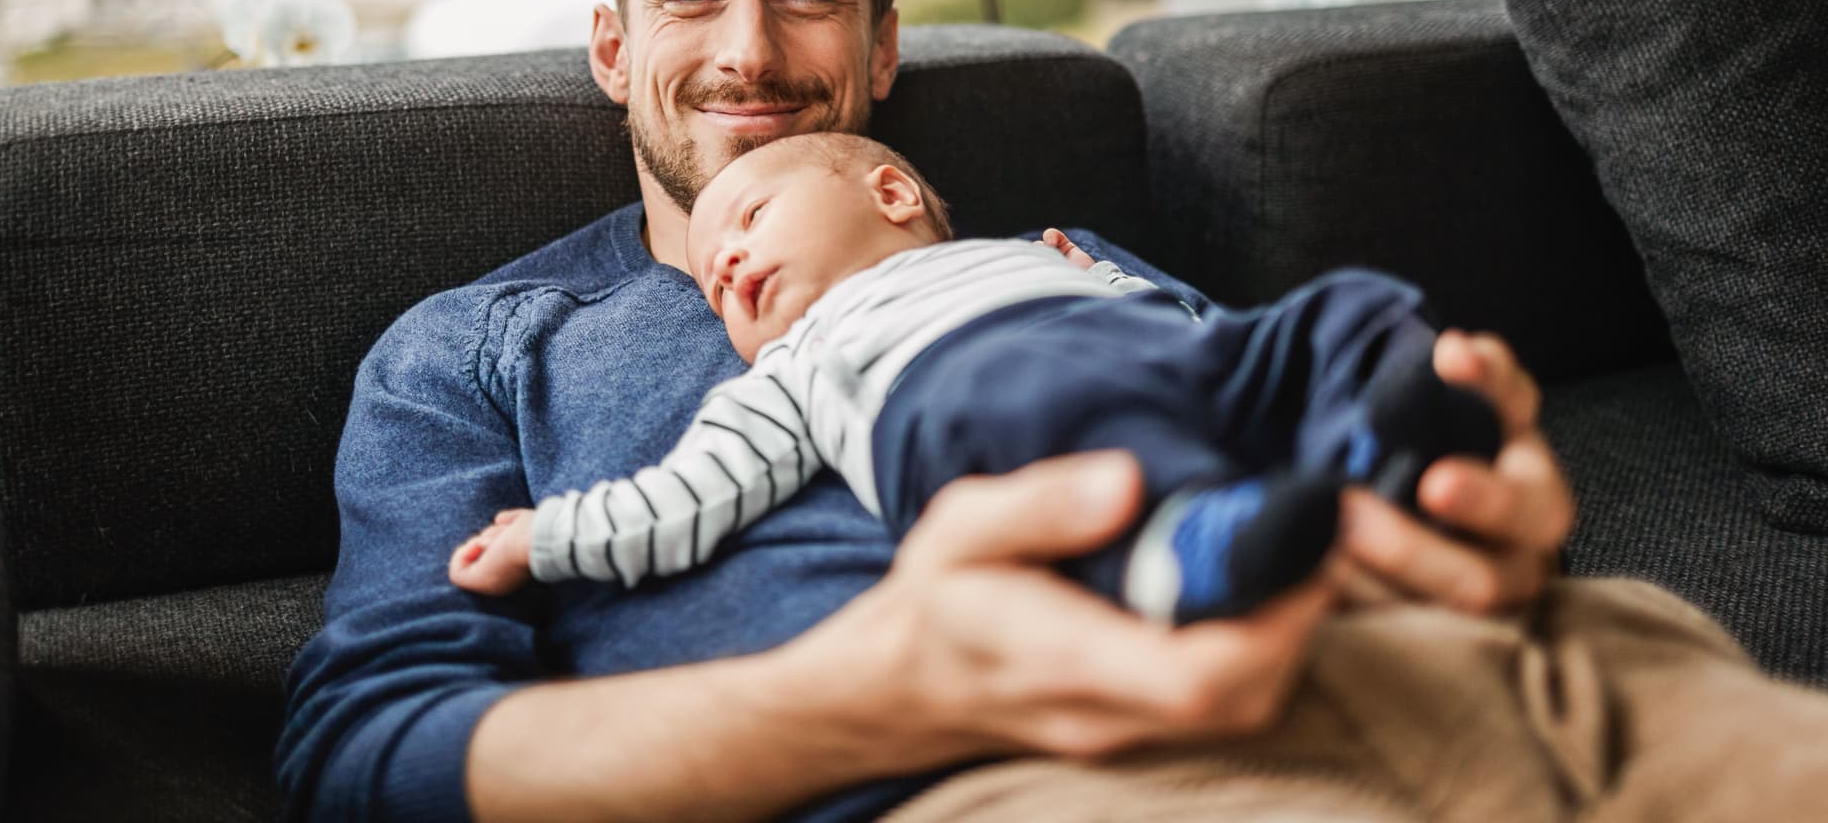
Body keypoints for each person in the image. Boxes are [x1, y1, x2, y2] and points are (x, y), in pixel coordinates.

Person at [276, 0, 1577, 823]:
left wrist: (1459, 502)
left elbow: (1287, 402)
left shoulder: (1061, 262)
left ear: (882, 49)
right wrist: (871, 698)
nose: (751, 52)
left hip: (1447, 677)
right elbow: (367, 761)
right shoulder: (482, 346)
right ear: (613, 52)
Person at [449, 132, 1502, 626]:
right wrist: (545, 535)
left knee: (1345, 304)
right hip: (972, 407)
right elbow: (680, 499)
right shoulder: (798, 366)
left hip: (1156, 353)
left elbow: (1189, 323)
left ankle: (1379, 436)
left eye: (755, 218)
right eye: (716, 275)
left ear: (893, 190)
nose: (724, 262)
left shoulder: (1045, 249)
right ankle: (1184, 554)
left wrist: (1109, 281)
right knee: (1076, 462)